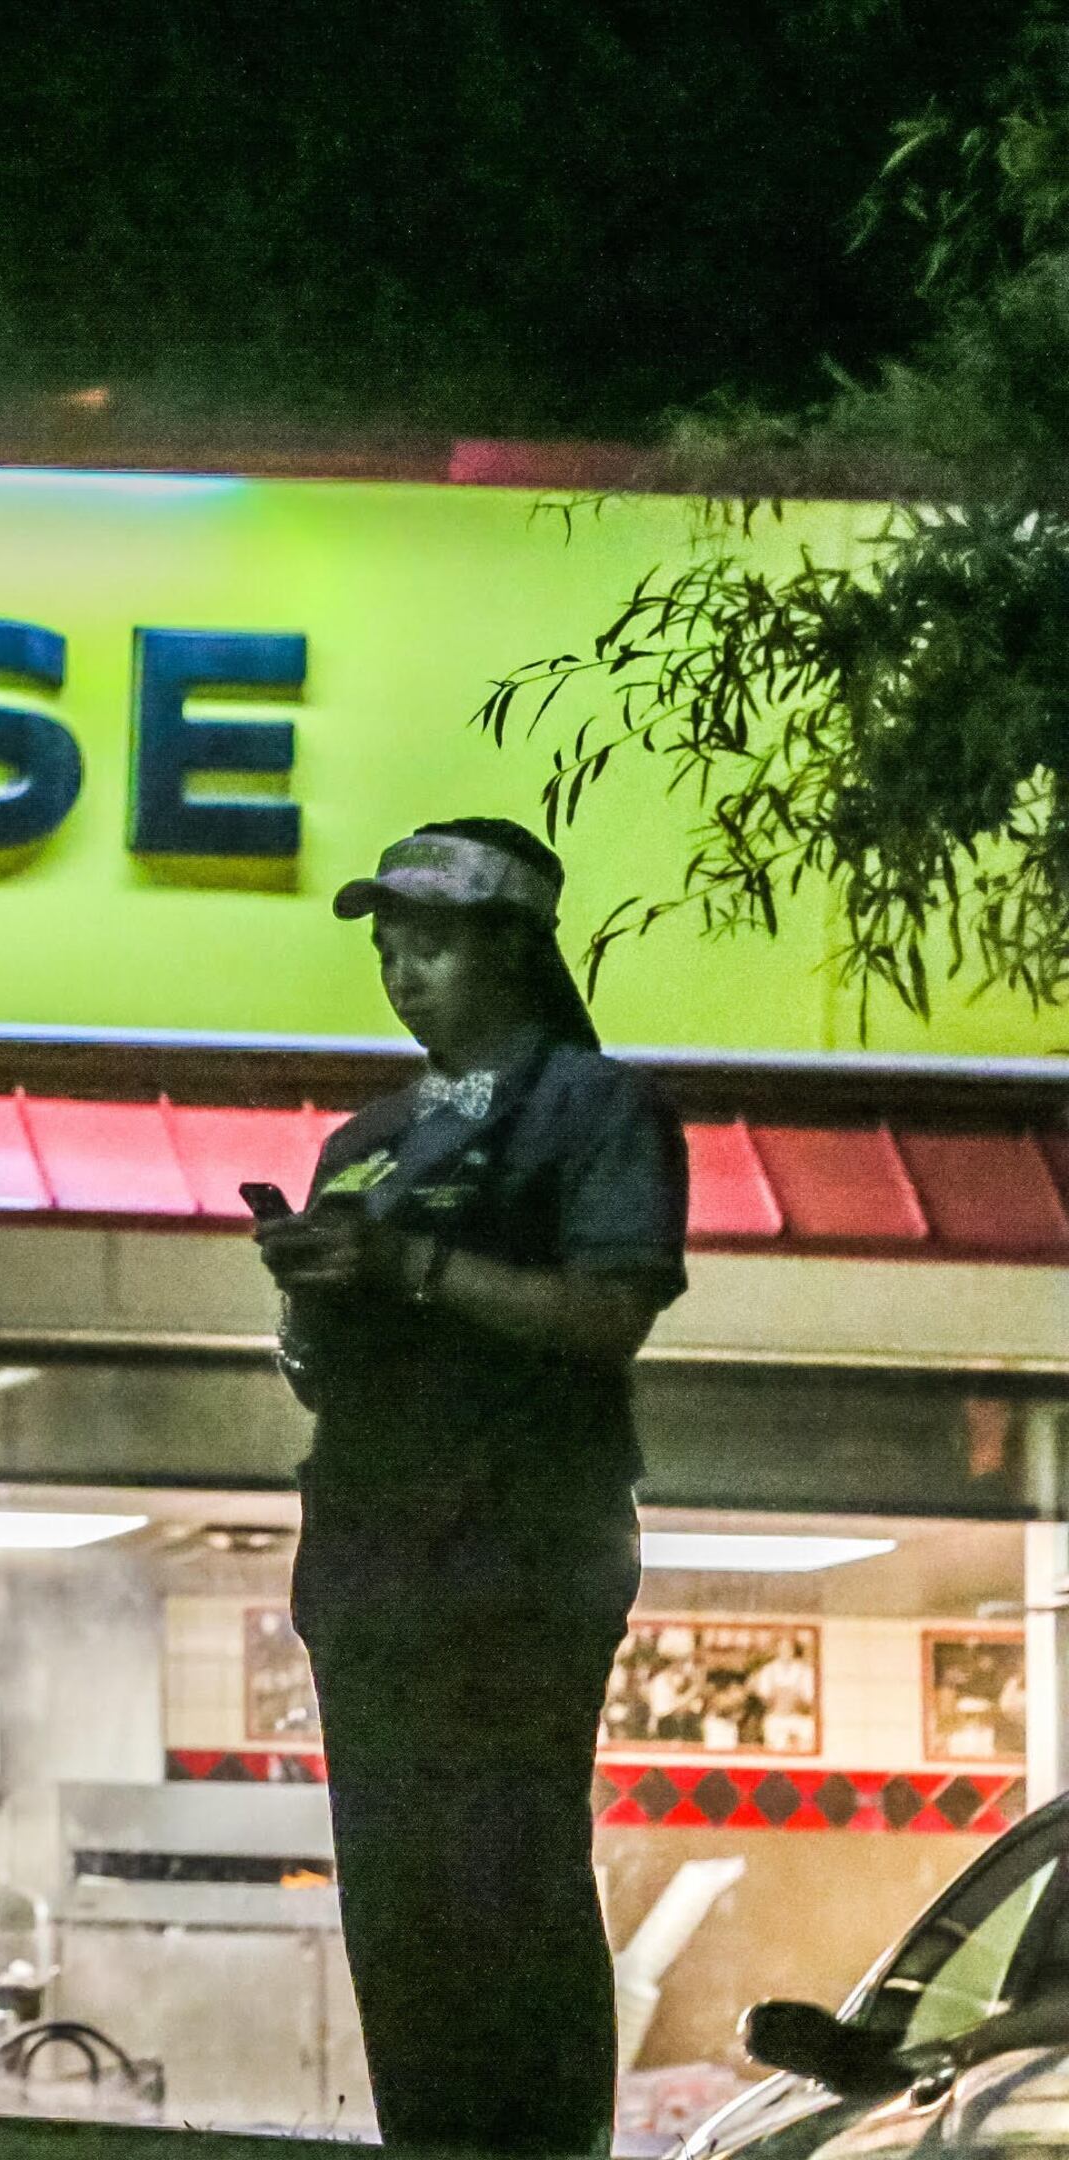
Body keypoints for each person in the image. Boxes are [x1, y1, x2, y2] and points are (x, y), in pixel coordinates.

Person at [254, 816, 689, 2155]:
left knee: (506, 1868)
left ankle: (546, 2140)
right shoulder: (366, 1137)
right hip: (372, 1556)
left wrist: (414, 1273)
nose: (402, 970)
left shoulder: (597, 1112)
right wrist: (316, 1300)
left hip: (519, 1552)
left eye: (430, 940)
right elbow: (330, 1366)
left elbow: (607, 1314)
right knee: (392, 1891)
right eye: (388, 945)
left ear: (514, 945)